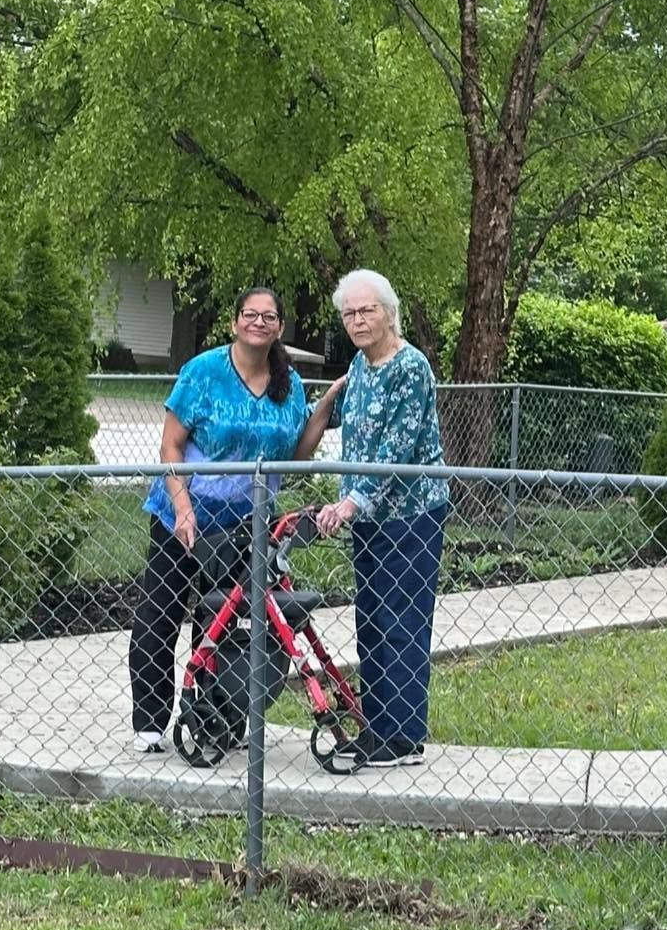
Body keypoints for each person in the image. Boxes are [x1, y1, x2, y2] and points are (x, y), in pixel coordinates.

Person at [128, 287, 327, 753]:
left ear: (279, 327)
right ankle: (151, 723)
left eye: (269, 316)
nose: (259, 322)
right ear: (235, 322)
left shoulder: (288, 383)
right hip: (186, 514)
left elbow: (295, 457)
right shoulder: (203, 372)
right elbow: (171, 445)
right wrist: (182, 506)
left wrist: (321, 413)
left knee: (221, 620)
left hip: (249, 524)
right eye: (250, 315)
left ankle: (213, 717)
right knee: (162, 612)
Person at [303, 269, 449, 768]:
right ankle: (377, 726)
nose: (358, 320)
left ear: (390, 313)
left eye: (367, 310)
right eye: (349, 313)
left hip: (410, 514)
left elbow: (397, 449)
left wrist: (350, 502)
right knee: (371, 620)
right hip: (367, 518)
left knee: (402, 620)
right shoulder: (359, 368)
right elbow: (343, 423)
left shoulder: (411, 368)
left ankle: (404, 737)